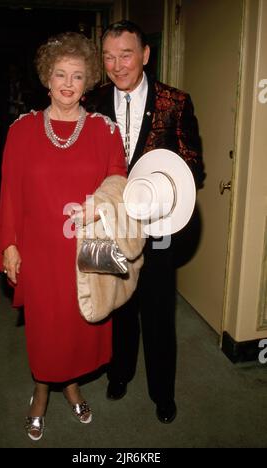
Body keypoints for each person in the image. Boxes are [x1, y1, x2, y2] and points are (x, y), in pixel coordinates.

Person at [0, 32, 126, 441]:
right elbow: (10, 195)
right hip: (39, 251)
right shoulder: (21, 131)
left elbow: (119, 185)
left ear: (88, 82)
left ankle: (70, 385)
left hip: (86, 250)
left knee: (77, 325)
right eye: (59, 74)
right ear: (46, 78)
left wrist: (101, 206)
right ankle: (41, 390)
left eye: (77, 76)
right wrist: (10, 245)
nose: (67, 84)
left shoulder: (106, 132)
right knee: (45, 326)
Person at [85, 20, 205, 424]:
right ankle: (119, 374)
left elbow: (194, 168)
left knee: (157, 314)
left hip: (158, 227)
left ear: (145, 55)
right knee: (117, 305)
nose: (117, 65)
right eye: (109, 56)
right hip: (108, 226)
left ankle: (162, 393)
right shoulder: (93, 100)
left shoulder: (175, 101)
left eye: (126, 54)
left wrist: (161, 194)